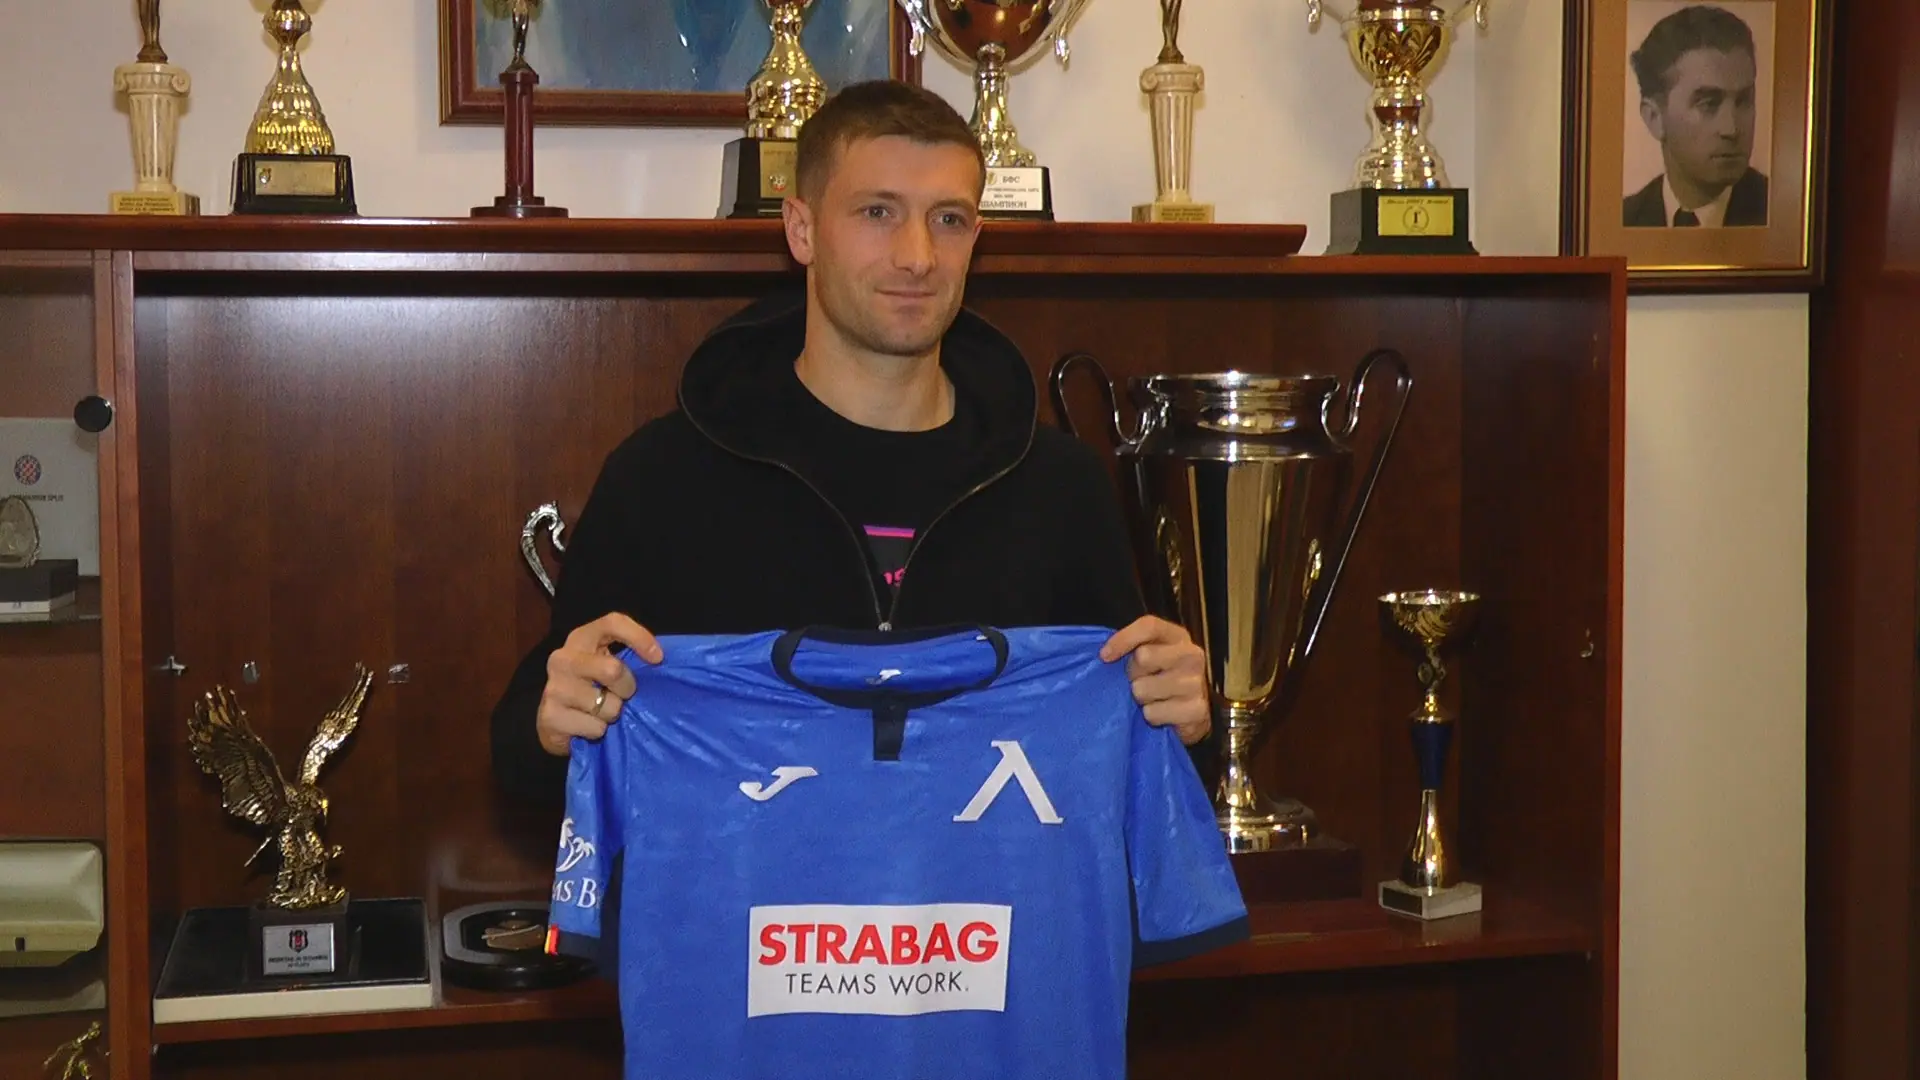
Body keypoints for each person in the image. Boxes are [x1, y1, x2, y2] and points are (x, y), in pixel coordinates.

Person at [489, 79, 1211, 806]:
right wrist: (554, 729)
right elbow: (527, 766)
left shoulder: (1060, 489)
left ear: (976, 239)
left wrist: (1184, 723)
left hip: (992, 886)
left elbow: (1137, 768)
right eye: (877, 212)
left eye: (949, 219)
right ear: (801, 229)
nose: (918, 256)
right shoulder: (662, 479)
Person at [1623, 4, 1769, 228]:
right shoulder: (1625, 221)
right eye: (1708, 104)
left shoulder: (1780, 213)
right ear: (1654, 118)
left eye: (1743, 101)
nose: (1731, 129)